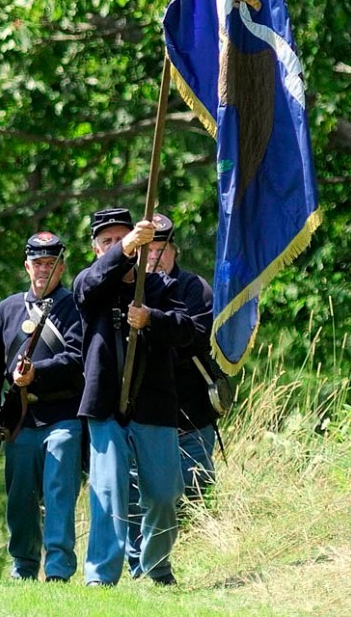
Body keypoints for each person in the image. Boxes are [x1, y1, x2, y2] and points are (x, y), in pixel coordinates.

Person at [73, 208, 195, 587]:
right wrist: (124, 247)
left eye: (122, 238)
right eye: (106, 241)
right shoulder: (91, 284)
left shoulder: (161, 287)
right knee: (108, 491)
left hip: (154, 403)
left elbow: (188, 330)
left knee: (164, 493)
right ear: (97, 249)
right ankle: (101, 576)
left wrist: (152, 320)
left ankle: (156, 567)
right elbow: (88, 285)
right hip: (106, 404)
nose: (115, 246)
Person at [0, 232, 84, 582]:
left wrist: (38, 373)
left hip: (62, 415)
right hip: (20, 420)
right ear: (27, 266)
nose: (43, 270)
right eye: (37, 263)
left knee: (58, 493)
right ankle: (23, 567)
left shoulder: (73, 306)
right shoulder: (9, 308)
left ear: (61, 267)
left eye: (50, 264)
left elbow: (77, 358)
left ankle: (57, 568)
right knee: (20, 500)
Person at [146, 213, 216, 499]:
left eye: (161, 249)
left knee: (194, 501)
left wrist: (153, 324)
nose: (154, 256)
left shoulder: (193, 287)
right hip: (146, 422)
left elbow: (198, 337)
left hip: (190, 416)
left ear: (174, 250)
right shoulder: (130, 291)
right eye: (147, 250)